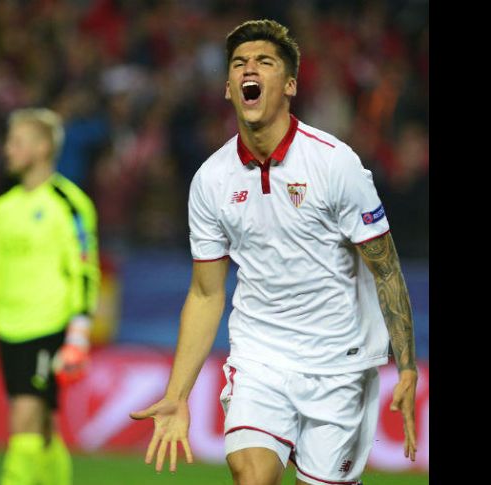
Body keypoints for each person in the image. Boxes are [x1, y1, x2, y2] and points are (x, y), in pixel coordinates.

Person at [130, 19, 418, 485]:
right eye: (239, 63)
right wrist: (177, 394)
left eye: (264, 62)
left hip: (340, 364)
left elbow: (385, 269)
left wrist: (406, 366)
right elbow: (206, 294)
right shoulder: (211, 181)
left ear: (289, 85)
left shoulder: (334, 163)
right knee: (251, 474)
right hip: (261, 357)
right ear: (228, 88)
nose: (250, 69)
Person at [0, 108, 100, 485]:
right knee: (44, 424)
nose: (7, 149)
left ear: (42, 147)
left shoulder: (69, 203)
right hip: (9, 330)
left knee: (23, 421)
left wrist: (79, 334)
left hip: (49, 326)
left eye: (16, 141)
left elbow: (85, 270)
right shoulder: (2, 208)